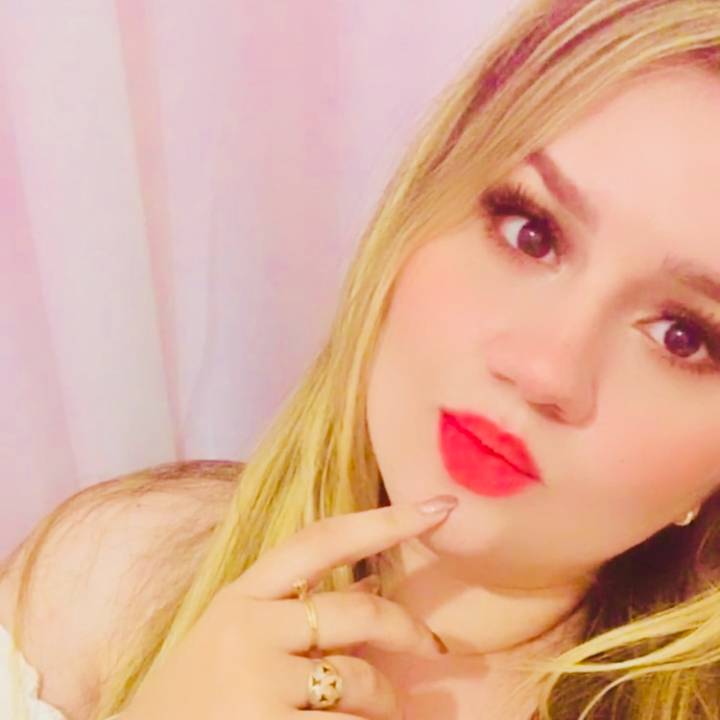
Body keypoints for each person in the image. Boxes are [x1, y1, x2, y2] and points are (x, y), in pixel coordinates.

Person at [2, 0, 720, 718]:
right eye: (530, 233)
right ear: (421, 204)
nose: (544, 370)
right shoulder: (112, 570)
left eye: (681, 336)